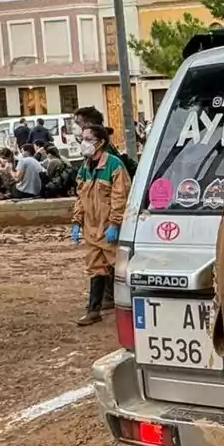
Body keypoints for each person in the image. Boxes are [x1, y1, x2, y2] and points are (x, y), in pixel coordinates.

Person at [71, 124, 129, 325]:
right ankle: (93, 310)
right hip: (91, 229)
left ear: (100, 142)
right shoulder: (86, 167)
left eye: (88, 139)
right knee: (95, 268)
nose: (83, 143)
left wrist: (115, 223)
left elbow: (120, 197)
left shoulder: (114, 165)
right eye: (83, 139)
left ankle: (134, 308)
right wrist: (77, 221)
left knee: (122, 268)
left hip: (108, 228)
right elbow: (81, 196)